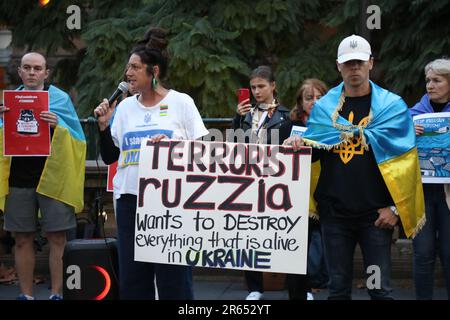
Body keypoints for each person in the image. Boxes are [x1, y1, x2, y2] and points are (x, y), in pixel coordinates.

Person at [283, 34, 425, 300]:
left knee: (379, 291)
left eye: (360, 62)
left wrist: (395, 208)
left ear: (371, 63)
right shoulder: (325, 108)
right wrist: (298, 143)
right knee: (337, 290)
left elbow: (406, 162)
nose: (354, 68)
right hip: (334, 214)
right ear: (338, 66)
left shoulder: (392, 107)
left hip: (376, 215)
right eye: (349, 63)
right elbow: (314, 151)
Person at [94, 27, 208, 300]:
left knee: (173, 278)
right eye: (127, 67)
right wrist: (102, 127)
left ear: (153, 71)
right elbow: (111, 157)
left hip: (170, 202)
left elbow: (202, 152)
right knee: (134, 279)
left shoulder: (181, 103)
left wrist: (172, 149)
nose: (127, 73)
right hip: (130, 200)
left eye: (135, 67)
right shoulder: (124, 108)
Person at [0, 52, 86, 300]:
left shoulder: (60, 99)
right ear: (20, 72)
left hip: (54, 176)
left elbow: (79, 139)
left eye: (37, 68)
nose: (31, 72)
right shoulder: (9, 100)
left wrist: (57, 125)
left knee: (58, 237)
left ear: (46, 73)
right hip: (18, 177)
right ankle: (26, 295)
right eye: (26, 68)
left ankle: (57, 294)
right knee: (21, 239)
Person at [233, 65, 290, 300]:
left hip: (278, 180)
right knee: (249, 233)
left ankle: (297, 285)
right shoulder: (245, 114)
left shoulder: (285, 115)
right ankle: (255, 287)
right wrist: (237, 117)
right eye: (253, 87)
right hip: (250, 179)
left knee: (285, 232)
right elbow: (235, 145)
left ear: (273, 86)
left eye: (261, 86)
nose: (256, 91)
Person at [279, 79, 329, 300]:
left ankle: (314, 284)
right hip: (296, 200)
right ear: (300, 102)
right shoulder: (286, 128)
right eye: (309, 98)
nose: (315, 102)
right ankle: (299, 292)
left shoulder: (335, 128)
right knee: (295, 253)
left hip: (328, 196)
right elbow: (277, 162)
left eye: (320, 98)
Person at [409, 58, 450, 300]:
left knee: (448, 252)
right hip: (420, 191)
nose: (430, 86)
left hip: (447, 192)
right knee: (422, 253)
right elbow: (393, 149)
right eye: (427, 80)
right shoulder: (411, 114)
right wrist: (407, 133)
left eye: (437, 80)